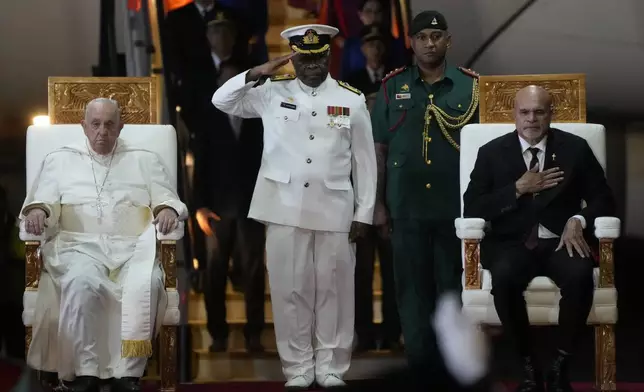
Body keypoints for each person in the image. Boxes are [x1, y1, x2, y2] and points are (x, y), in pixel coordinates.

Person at [212, 24, 377, 390]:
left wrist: (363, 212)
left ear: (328, 56)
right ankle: (298, 368)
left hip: (335, 207)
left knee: (334, 289)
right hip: (283, 206)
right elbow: (221, 101)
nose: (312, 65)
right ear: (292, 57)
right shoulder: (271, 93)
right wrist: (256, 73)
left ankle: (332, 366)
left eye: (318, 57)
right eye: (304, 58)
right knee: (290, 290)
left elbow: (365, 162)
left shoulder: (351, 99)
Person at [20, 98, 188, 392]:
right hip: (77, 247)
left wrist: (166, 209)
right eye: (95, 124)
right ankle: (85, 372)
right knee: (82, 282)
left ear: (120, 127)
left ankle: (128, 374)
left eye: (110, 125)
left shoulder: (144, 160)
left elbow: (167, 197)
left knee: (147, 283)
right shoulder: (60, 159)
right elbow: (42, 198)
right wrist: (38, 210)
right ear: (84, 127)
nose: (102, 132)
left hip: (132, 249)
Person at [463, 86, 615, 392]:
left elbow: (605, 200)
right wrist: (517, 189)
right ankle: (528, 367)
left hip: (562, 240)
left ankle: (560, 365)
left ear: (550, 114)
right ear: (514, 115)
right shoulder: (492, 152)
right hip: (512, 243)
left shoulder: (575, 148)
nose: (531, 119)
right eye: (525, 112)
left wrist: (579, 219)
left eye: (539, 112)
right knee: (503, 279)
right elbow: (473, 206)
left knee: (580, 275)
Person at [370, 9, 480, 386]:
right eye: (422, 37)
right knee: (412, 295)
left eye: (436, 36)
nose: (429, 43)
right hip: (406, 208)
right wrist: (379, 205)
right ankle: (419, 371)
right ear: (412, 43)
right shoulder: (391, 87)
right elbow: (378, 151)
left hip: (457, 209)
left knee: (454, 292)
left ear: (448, 40)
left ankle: (454, 372)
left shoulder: (472, 87)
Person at [194, 61, 266, 353]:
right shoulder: (209, 118)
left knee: (253, 272)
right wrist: (199, 206)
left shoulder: (258, 116)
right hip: (217, 209)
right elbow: (200, 166)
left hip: (253, 206)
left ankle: (254, 334)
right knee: (214, 273)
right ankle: (218, 333)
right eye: (227, 80)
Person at [347, 25, 400, 352]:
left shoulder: (395, 131)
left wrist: (387, 209)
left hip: (391, 212)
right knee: (360, 278)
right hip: (356, 214)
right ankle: (363, 334)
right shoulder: (347, 134)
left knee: (395, 277)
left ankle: (393, 334)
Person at [339, 0, 408, 81]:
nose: (373, 16)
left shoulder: (396, 44)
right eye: (368, 12)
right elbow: (344, 77)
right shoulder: (351, 45)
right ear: (360, 14)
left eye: (378, 12)